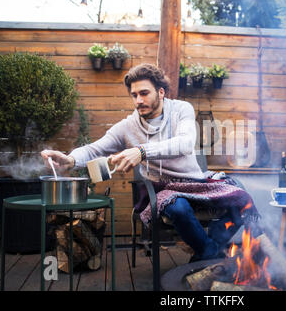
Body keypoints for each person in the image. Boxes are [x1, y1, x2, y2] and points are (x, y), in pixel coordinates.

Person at [41, 63, 256, 262]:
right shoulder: (128, 126)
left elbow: (186, 142)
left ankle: (208, 251)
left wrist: (141, 152)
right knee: (179, 209)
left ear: (161, 92)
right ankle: (211, 253)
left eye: (144, 93)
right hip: (161, 189)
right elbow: (95, 148)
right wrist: (70, 159)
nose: (138, 101)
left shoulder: (182, 110)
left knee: (241, 197)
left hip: (194, 182)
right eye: (134, 95)